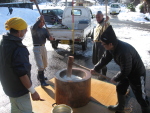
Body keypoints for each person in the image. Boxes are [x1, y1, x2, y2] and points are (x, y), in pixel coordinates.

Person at [90, 25, 150, 113]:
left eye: (103, 44)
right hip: (126, 72)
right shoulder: (111, 47)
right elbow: (105, 58)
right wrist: (96, 68)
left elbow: (126, 70)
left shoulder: (123, 51)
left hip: (137, 74)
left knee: (141, 96)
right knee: (120, 88)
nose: (102, 46)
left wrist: (116, 78)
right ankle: (120, 107)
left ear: (110, 44)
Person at [0, 17, 42, 113]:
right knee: (25, 110)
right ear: (19, 32)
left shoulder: (4, 42)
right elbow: (22, 74)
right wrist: (33, 92)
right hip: (19, 91)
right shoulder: (19, 49)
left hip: (9, 88)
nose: (26, 32)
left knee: (15, 109)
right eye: (25, 30)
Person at [31, 15, 53, 86]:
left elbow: (48, 37)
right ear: (38, 22)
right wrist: (39, 20)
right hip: (37, 48)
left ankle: (40, 76)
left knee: (44, 64)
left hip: (43, 47)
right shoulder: (34, 28)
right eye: (40, 22)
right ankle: (42, 81)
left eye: (43, 22)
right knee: (40, 65)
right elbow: (34, 27)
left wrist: (50, 38)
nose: (42, 24)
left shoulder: (44, 30)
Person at [92, 11, 110, 80]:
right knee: (95, 59)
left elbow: (107, 27)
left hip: (102, 44)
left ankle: (103, 75)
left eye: (99, 17)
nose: (97, 18)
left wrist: (107, 21)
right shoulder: (98, 24)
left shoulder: (105, 23)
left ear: (102, 16)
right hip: (96, 43)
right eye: (96, 17)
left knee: (101, 59)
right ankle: (97, 71)